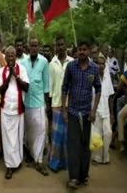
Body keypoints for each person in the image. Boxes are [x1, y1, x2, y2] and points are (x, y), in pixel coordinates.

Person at [62, 41, 101, 189]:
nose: (82, 52)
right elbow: (64, 88)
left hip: (87, 114)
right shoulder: (71, 67)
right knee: (73, 146)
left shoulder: (94, 69)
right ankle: (73, 178)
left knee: (85, 146)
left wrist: (93, 110)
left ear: (89, 51)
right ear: (77, 51)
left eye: (85, 49)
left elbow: (98, 89)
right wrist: (64, 110)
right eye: (80, 49)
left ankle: (83, 175)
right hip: (72, 112)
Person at [0, 46, 29, 179]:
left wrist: (16, 76)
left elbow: (26, 87)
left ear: (16, 57)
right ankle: (9, 166)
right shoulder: (1, 71)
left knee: (17, 137)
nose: (10, 58)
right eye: (8, 56)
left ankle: (17, 161)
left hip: (18, 109)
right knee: (7, 138)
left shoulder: (21, 69)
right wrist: (9, 75)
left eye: (12, 55)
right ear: (5, 57)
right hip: (6, 109)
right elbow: (0, 89)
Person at [20, 37, 50, 176]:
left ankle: (38, 161)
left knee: (41, 131)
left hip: (39, 104)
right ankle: (31, 155)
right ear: (28, 47)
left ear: (38, 47)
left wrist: (46, 105)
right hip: (26, 103)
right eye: (31, 45)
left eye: (36, 45)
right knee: (29, 133)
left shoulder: (44, 62)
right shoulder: (22, 62)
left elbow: (46, 85)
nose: (33, 47)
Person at [48, 36, 73, 173]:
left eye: (62, 44)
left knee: (67, 136)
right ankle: (54, 163)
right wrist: (49, 106)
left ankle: (67, 163)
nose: (60, 47)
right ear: (55, 47)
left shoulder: (72, 62)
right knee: (56, 136)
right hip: (57, 104)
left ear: (66, 45)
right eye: (58, 45)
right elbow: (50, 86)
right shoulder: (52, 64)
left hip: (70, 104)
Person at [92, 56, 114, 164]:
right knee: (96, 134)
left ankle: (106, 156)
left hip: (106, 110)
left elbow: (110, 96)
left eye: (102, 64)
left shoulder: (107, 77)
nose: (100, 65)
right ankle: (96, 157)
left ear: (105, 65)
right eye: (98, 63)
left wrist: (112, 113)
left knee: (108, 133)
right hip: (95, 109)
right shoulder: (92, 76)